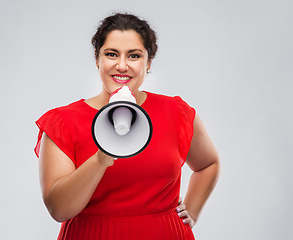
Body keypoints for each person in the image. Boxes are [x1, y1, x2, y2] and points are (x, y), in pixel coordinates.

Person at [34, 13, 220, 240]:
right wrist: (101, 159)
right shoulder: (63, 122)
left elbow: (208, 164)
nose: (121, 66)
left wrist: (191, 210)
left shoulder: (176, 113)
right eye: (111, 54)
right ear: (97, 59)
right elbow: (59, 209)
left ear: (148, 62)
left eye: (134, 56)